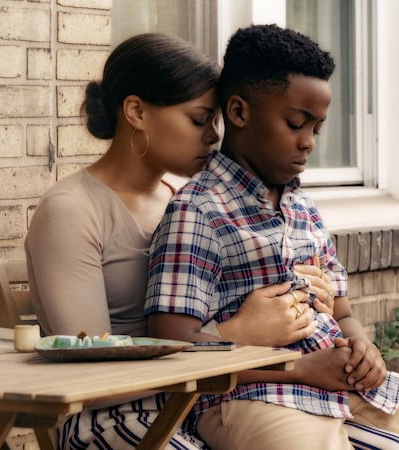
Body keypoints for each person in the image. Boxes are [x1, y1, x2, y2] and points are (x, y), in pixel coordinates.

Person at [145, 24, 399, 450]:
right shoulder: (198, 212)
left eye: (318, 129)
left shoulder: (303, 208)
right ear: (238, 112)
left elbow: (341, 313)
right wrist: (300, 369)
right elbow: (172, 349)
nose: (308, 143)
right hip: (252, 397)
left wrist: (364, 348)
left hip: (346, 386)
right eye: (294, 123)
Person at [25, 32, 326, 450]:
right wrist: (238, 332)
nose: (213, 137)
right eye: (199, 120)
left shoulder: (187, 201)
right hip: (119, 417)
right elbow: (91, 373)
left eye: (216, 122)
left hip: (206, 402)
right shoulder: (71, 210)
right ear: (136, 112)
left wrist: (303, 291)